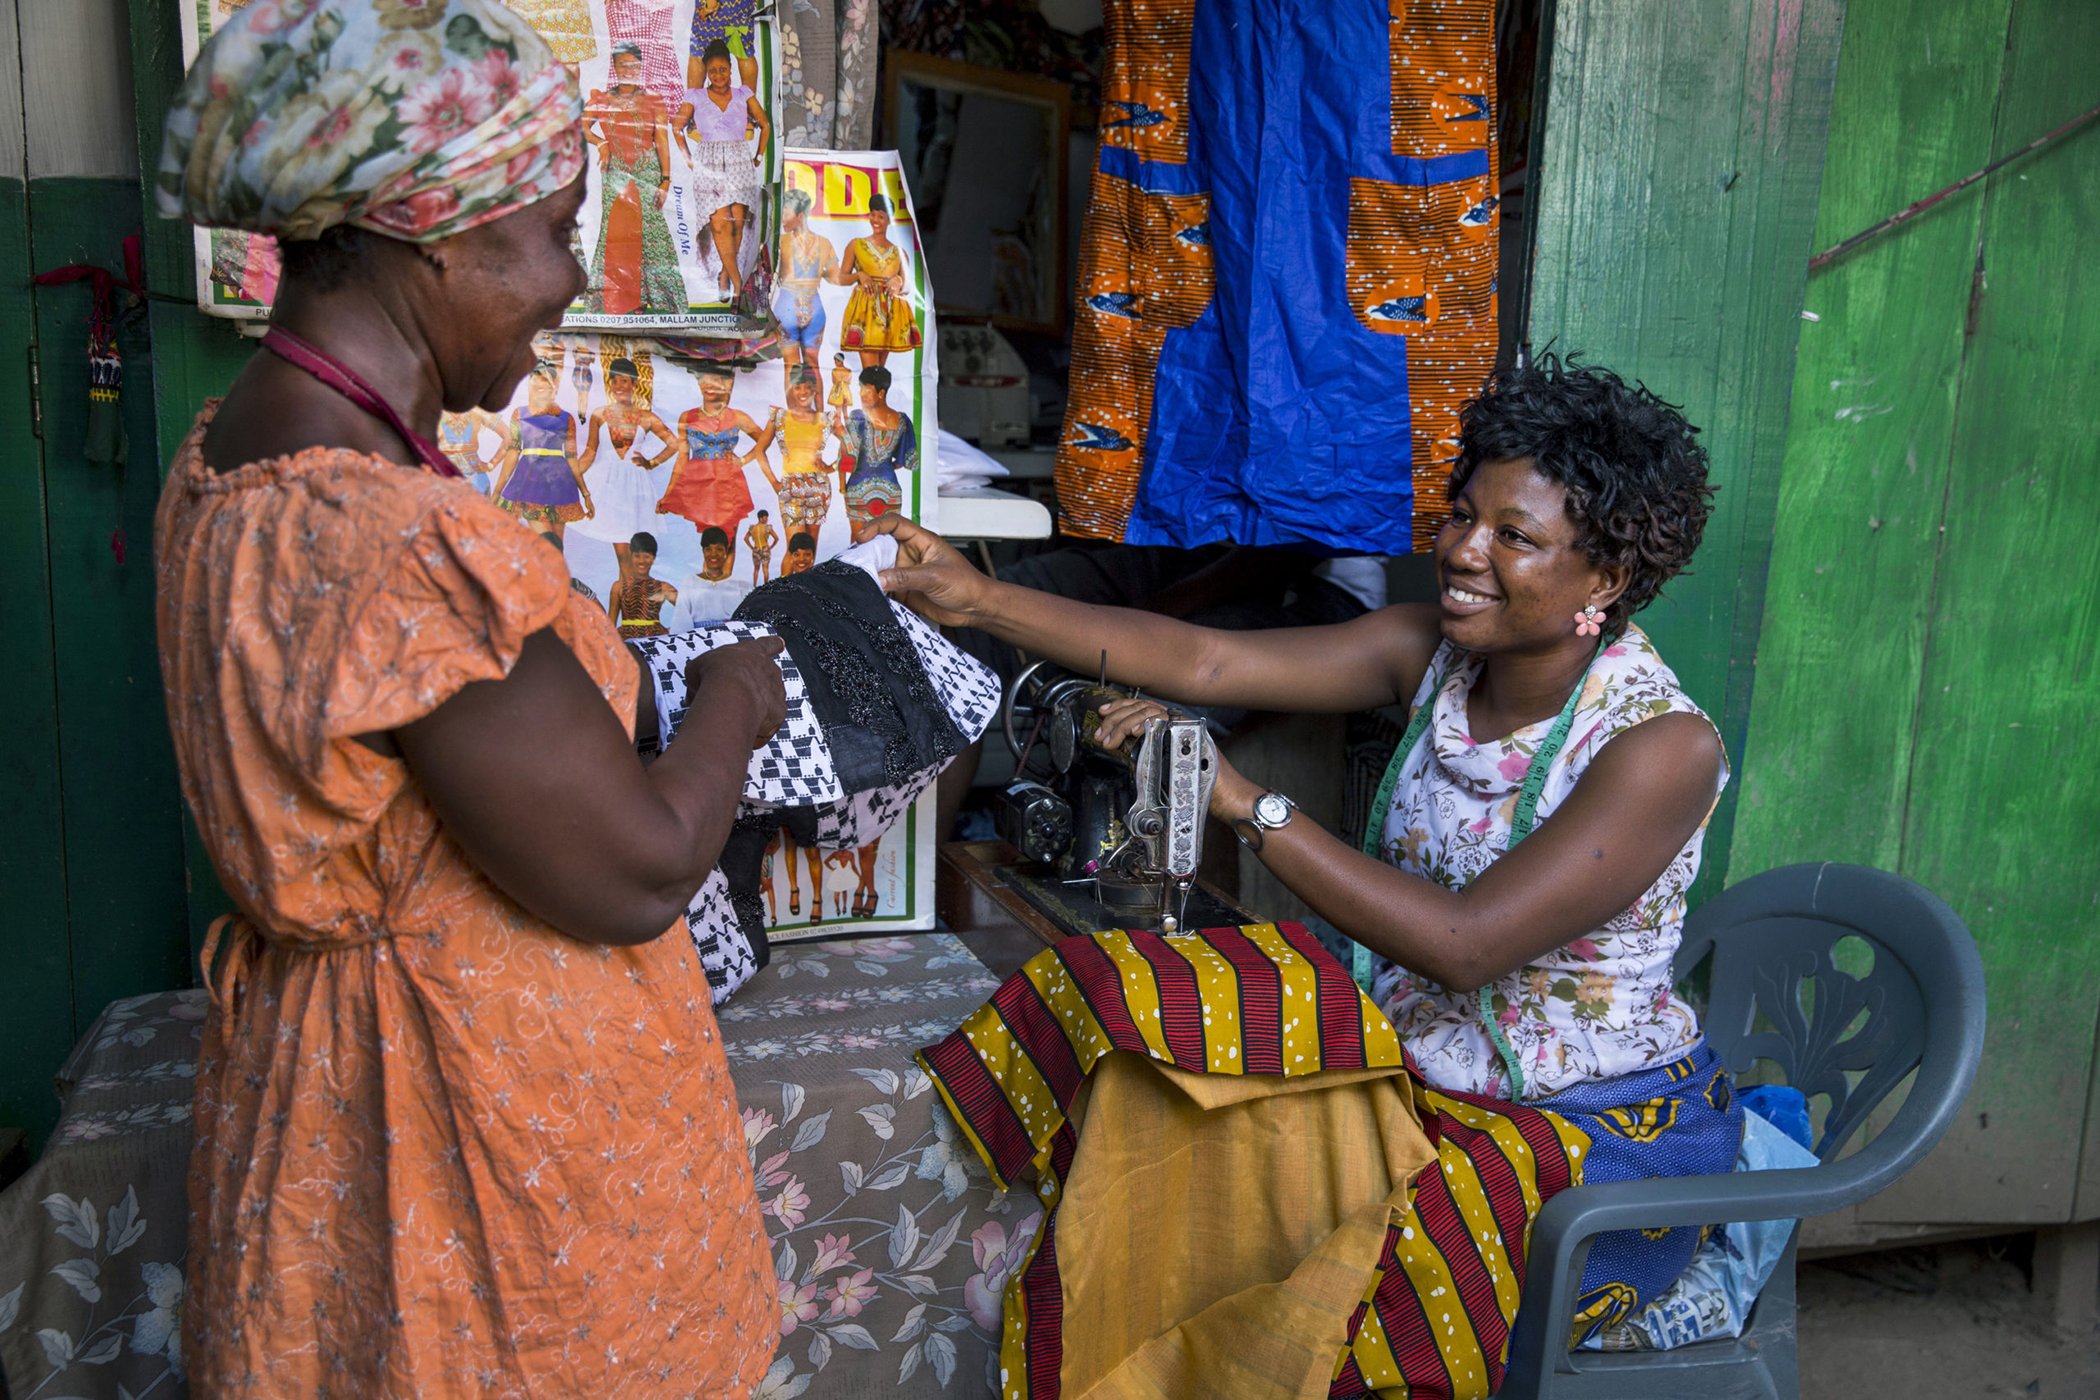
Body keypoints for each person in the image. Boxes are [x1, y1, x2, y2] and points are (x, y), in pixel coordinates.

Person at [868, 354, 1743, 1347]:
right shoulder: (1432, 656)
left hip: (1586, 1138)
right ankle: (1055, 1265)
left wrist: (1244, 801)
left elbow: (1464, 943)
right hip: (1415, 1073)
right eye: (1463, 515)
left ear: (1609, 574)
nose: (1463, 549)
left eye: (1515, 536)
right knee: (1131, 994)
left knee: (1311, 1275)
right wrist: (978, 600)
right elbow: (1204, 658)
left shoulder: (1660, 746)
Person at [154, 4, 779, 1393]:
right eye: (552, 231)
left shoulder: (236, 456)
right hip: (473, 1167)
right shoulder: (396, 546)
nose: (564, 279)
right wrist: (739, 693)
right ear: (434, 232)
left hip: (338, 1101)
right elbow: (637, 868)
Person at [583, 43, 685, 315]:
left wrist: (665, 179)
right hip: (615, 174)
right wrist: (601, 142)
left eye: (633, 65)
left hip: (648, 172)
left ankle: (663, 300)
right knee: (617, 235)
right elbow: (579, 126)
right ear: (614, 67)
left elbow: (662, 140)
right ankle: (623, 301)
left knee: (651, 235)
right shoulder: (601, 99)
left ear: (641, 68)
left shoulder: (654, 100)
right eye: (622, 65)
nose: (628, 70)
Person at [676, 38, 770, 301]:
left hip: (739, 159)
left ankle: (726, 276)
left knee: (737, 223)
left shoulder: (744, 94)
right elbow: (676, 127)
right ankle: (738, 284)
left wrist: (759, 156)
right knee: (718, 224)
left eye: (722, 69)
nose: (718, 75)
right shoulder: (695, 96)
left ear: (730, 68)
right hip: (709, 161)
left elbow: (765, 124)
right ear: (706, 72)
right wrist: (689, 159)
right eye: (712, 70)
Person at [573, 355, 677, 579]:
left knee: (635, 554)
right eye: (615, 380)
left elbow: (674, 443)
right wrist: (570, 476)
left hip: (636, 490)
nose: (620, 386)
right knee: (623, 556)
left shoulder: (646, 417)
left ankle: (632, 607)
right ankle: (628, 606)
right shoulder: (599, 414)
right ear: (610, 383)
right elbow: (590, 452)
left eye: (625, 381)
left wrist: (651, 463)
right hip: (609, 487)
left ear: (634, 384)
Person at [657, 362, 760, 535]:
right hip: (698, 482)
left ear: (725, 383)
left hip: (728, 481)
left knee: (728, 539)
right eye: (703, 379)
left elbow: (765, 439)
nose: (708, 384)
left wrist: (742, 460)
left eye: (714, 379)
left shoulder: (737, 416)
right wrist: (668, 494)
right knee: (709, 542)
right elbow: (682, 458)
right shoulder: (687, 417)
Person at [492, 365, 592, 537]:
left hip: (560, 483)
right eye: (536, 378)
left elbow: (571, 458)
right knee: (546, 540)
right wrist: (497, 491)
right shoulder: (520, 414)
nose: (539, 382)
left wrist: (585, 494)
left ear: (553, 385)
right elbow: (513, 453)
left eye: (545, 379)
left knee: (557, 546)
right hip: (530, 481)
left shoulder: (566, 418)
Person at [748, 366, 837, 541]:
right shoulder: (780, 417)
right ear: (791, 389)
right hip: (790, 484)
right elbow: (759, 450)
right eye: (797, 387)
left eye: (807, 386)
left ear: (814, 388)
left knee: (809, 548)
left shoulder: (825, 419)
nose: (803, 391)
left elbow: (853, 446)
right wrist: (774, 482)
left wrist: (832, 467)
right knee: (794, 546)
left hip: (818, 487)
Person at [831, 192, 920, 367]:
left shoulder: (898, 252)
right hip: (866, 313)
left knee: (880, 373)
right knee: (871, 373)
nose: (876, 220)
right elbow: (840, 278)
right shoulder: (856, 245)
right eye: (873, 214)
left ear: (889, 220)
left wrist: (899, 281)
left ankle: (880, 395)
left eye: (881, 216)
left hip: (890, 313)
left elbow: (908, 286)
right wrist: (859, 275)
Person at [835, 363, 917, 532]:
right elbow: (904, 461)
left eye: (867, 390)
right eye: (861, 389)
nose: (861, 394)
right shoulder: (902, 420)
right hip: (890, 491)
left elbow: (847, 456)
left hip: (859, 489)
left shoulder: (857, 418)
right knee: (887, 543)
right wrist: (885, 466)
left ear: (881, 393)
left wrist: (842, 487)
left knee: (858, 543)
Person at [773, 187, 838, 387]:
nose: (782, 218)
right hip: (814, 306)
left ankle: (795, 417)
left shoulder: (780, 241)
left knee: (790, 366)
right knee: (813, 365)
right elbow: (835, 277)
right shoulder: (824, 243)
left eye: (786, 213)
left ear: (800, 215)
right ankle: (818, 416)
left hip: (787, 306)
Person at [609, 529, 678, 637]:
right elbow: (610, 625)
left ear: (653, 559)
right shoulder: (618, 587)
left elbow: (688, 611)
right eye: (637, 556)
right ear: (631, 556)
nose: (641, 561)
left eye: (646, 557)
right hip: (627, 641)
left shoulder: (663, 587)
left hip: (655, 641)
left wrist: (672, 631)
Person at [682, 524, 754, 625]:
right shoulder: (691, 582)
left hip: (731, 632)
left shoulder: (742, 585)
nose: (713, 554)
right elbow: (681, 621)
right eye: (708, 549)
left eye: (719, 549)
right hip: (700, 633)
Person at [744, 507, 777, 585]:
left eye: (767, 518)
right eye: (765, 518)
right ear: (760, 518)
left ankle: (754, 586)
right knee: (765, 569)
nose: (766, 519)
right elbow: (776, 538)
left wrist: (752, 548)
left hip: (756, 549)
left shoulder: (753, 528)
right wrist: (771, 546)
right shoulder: (767, 527)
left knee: (756, 569)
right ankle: (765, 586)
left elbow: (746, 538)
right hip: (765, 549)